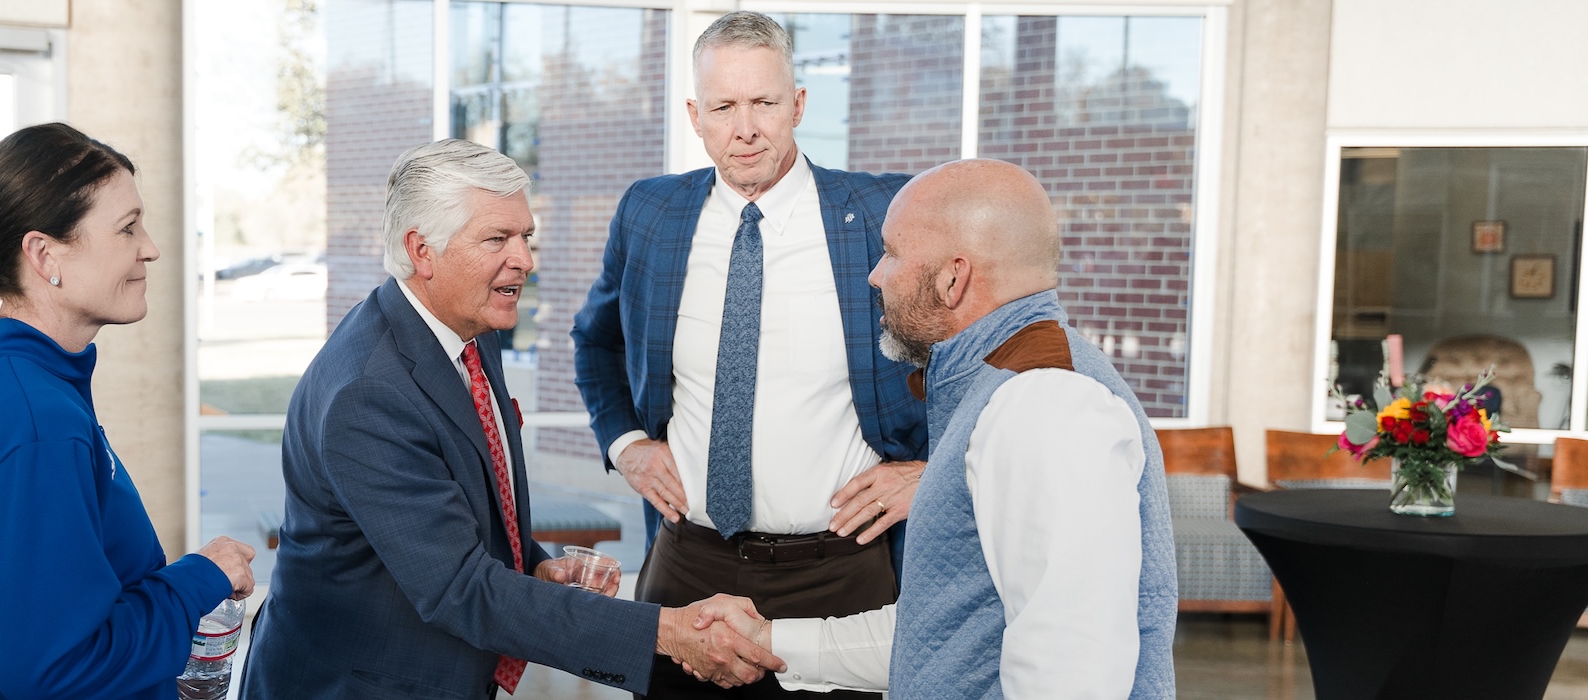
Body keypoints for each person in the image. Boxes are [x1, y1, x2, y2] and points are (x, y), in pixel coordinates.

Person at [239, 139, 783, 700]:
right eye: (497, 238)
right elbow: (462, 589)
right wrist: (667, 631)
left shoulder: (471, 329)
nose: (525, 258)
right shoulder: (369, 394)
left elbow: (465, 517)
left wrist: (533, 569)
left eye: (526, 236)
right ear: (421, 251)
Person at [698, 159, 1179, 698]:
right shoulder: (998, 383)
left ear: (954, 279)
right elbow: (944, 637)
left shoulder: (1046, 403)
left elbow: (1069, 676)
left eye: (893, 253)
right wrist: (765, 638)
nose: (876, 275)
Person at [570, 11, 926, 698]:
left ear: (797, 105)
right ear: (695, 114)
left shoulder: (887, 210)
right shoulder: (649, 214)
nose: (746, 128)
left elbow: (978, 353)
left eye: (764, 102)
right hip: (687, 565)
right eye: (724, 107)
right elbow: (596, 342)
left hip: (842, 572)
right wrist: (626, 443)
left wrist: (931, 471)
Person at [0, 122, 259, 699]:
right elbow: (61, 672)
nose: (151, 248)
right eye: (127, 228)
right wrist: (199, 579)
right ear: (44, 254)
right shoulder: (29, 422)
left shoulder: (2, 382)